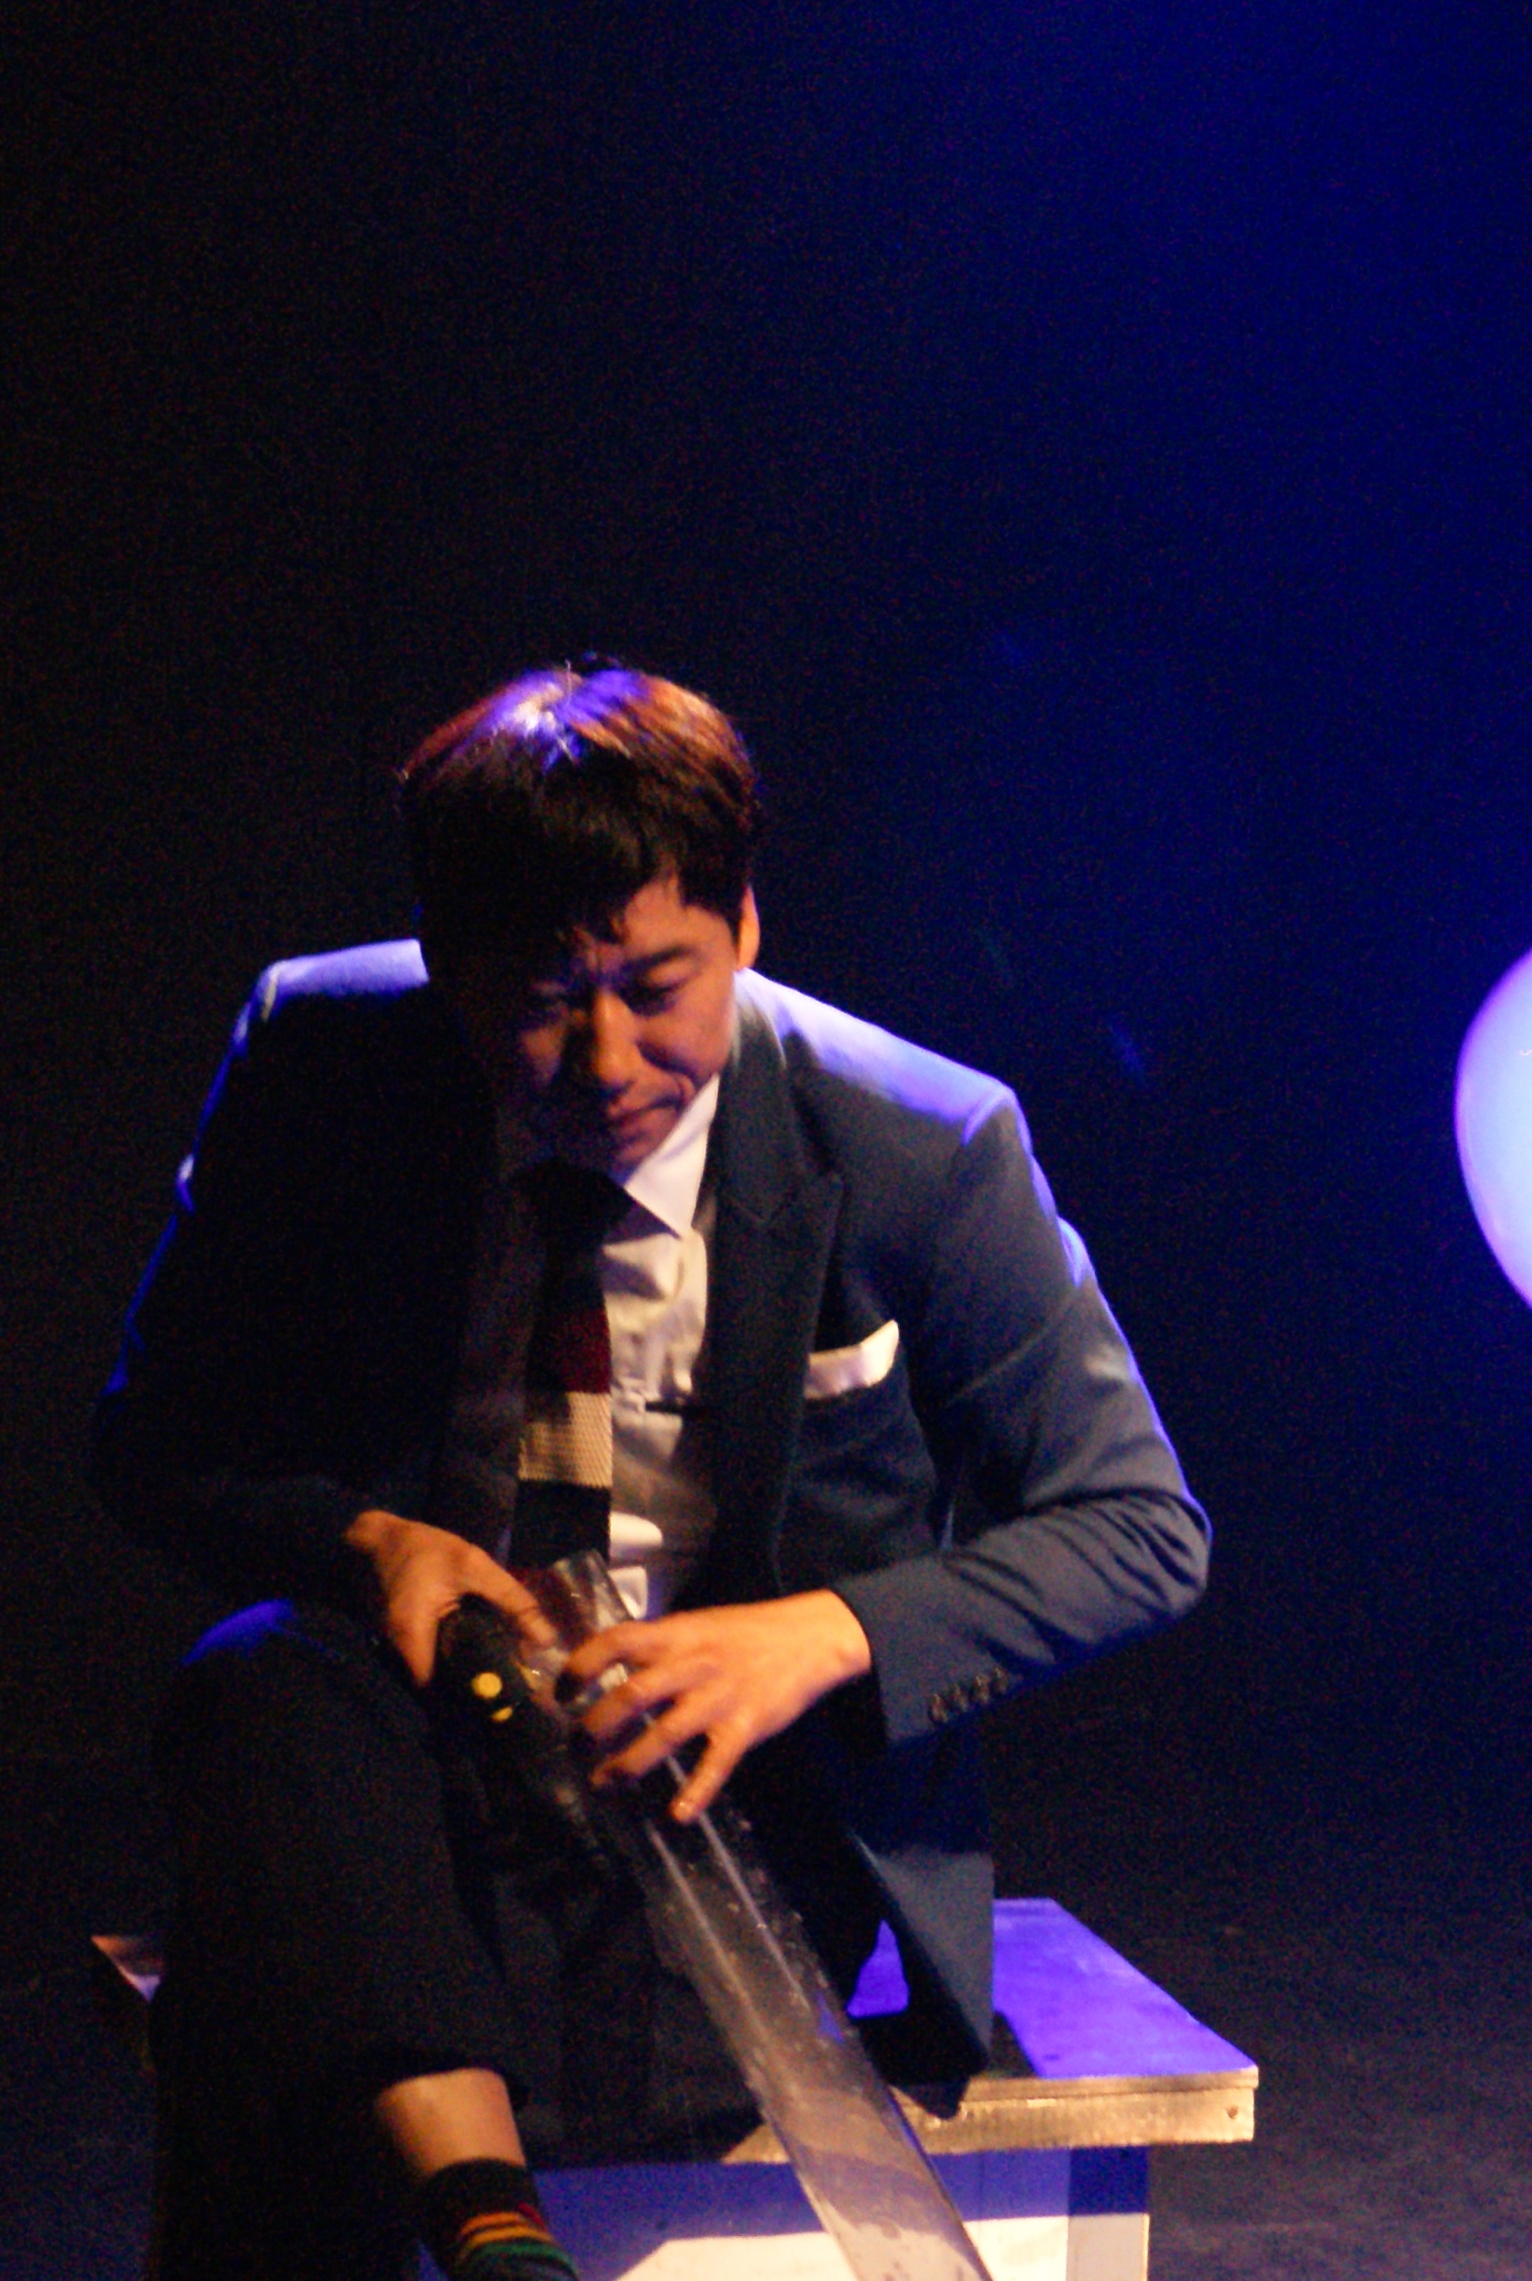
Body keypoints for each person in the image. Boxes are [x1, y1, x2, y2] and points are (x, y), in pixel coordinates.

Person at [95, 665, 1209, 2281]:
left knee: (289, 1998)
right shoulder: (319, 1054)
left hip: (738, 1798)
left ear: (743, 926)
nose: (605, 1056)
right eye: (545, 996)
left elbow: (1138, 1528)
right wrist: (365, 1542)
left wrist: (816, 1633)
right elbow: (152, 1440)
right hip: (419, 1753)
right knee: (259, 1680)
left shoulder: (919, 1142)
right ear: (445, 961)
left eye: (654, 985)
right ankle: (498, 2244)